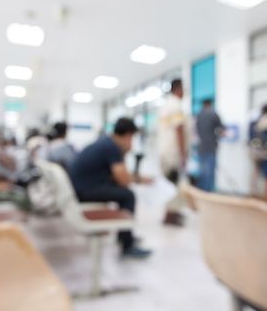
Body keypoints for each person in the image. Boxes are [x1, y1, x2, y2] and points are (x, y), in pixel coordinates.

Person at [69, 118, 153, 259]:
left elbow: (118, 177)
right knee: (128, 195)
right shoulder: (112, 147)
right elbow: (124, 180)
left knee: (121, 192)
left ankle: (125, 235)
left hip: (80, 187)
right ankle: (127, 245)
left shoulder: (105, 142)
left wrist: (139, 178)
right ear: (128, 135)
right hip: (84, 191)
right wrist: (125, 153)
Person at [157, 78, 188, 226]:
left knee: (170, 183)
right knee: (172, 184)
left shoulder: (165, 105)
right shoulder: (176, 105)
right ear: (178, 88)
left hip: (164, 150)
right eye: (183, 88)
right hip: (173, 152)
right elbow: (179, 130)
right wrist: (183, 154)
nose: (184, 92)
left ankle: (173, 212)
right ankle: (169, 215)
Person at [195, 99, 224, 192]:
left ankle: (201, 194)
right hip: (211, 147)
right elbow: (221, 129)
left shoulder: (198, 115)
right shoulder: (213, 114)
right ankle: (209, 193)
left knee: (202, 172)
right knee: (210, 173)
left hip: (201, 148)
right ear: (210, 104)